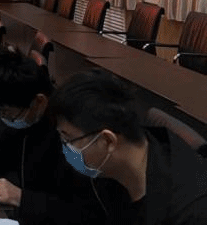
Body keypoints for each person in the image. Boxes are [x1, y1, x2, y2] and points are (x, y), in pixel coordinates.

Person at [0, 50, 100, 224]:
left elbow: (84, 213)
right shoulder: (29, 117)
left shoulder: (73, 139)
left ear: (39, 101)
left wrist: (22, 198)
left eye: (7, 113)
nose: (5, 119)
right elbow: (0, 150)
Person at [50, 71, 207, 224]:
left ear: (108, 141)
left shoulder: (190, 211)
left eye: (68, 139)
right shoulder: (111, 167)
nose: (66, 148)